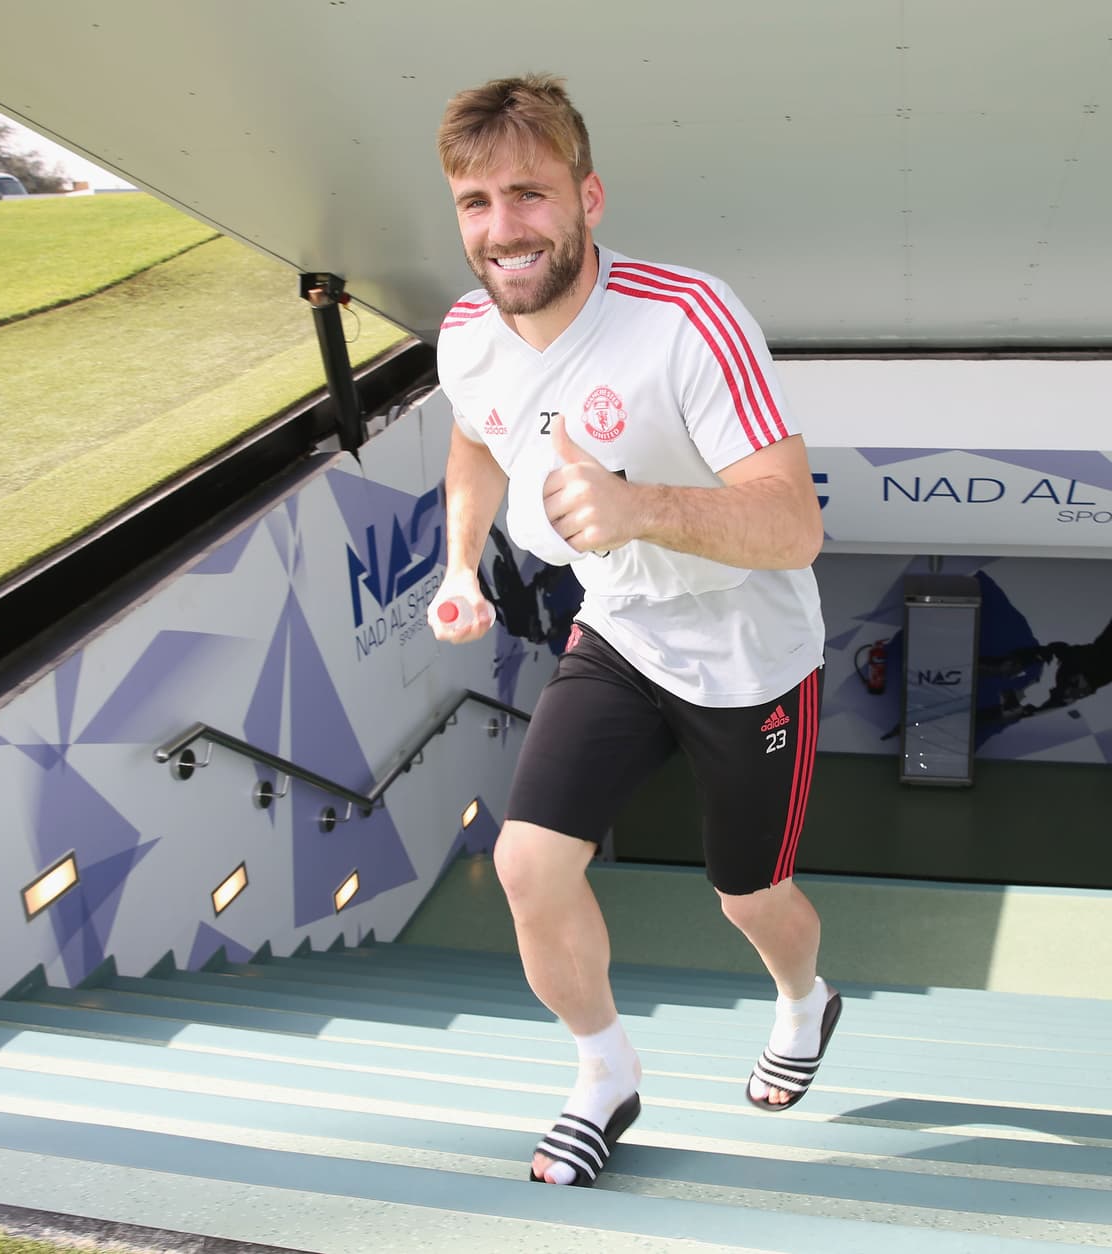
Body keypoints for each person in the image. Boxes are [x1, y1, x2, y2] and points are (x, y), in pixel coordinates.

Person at [427, 73, 838, 1188]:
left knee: (748, 896)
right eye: (475, 203)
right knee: (526, 865)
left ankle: (804, 1001)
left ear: (587, 197)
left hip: (747, 656)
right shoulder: (466, 333)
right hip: (617, 630)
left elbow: (793, 525)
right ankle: (605, 1073)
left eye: (529, 193)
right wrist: (460, 562)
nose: (503, 228)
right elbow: (475, 439)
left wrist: (638, 505)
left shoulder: (684, 320)